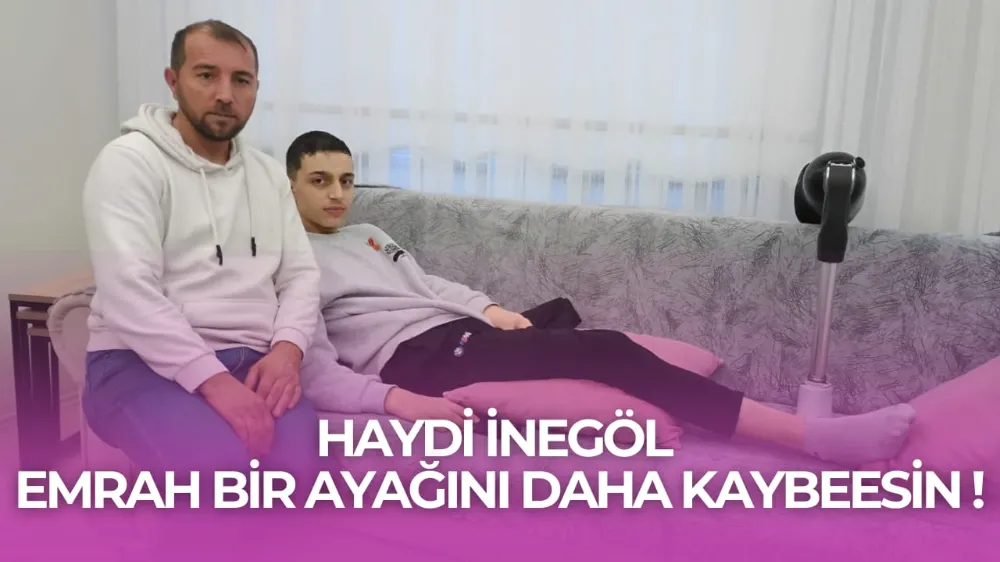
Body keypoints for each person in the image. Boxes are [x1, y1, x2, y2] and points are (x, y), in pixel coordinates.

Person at [285, 130, 918, 468]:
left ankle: (556, 374)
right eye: (319, 181)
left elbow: (429, 287)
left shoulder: (368, 233)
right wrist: (398, 402)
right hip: (416, 360)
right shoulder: (290, 262)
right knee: (607, 350)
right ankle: (809, 437)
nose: (338, 194)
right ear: (287, 186)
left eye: (346, 179)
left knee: (557, 315)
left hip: (456, 331)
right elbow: (312, 369)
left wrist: (490, 309)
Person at [82, 20, 328, 475]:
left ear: (256, 88)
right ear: (173, 81)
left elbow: (300, 275)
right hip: (135, 364)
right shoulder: (129, 162)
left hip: (252, 361)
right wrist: (212, 379)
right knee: (219, 471)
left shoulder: (268, 175)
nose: (225, 94)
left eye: (241, 80)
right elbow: (127, 291)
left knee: (303, 477)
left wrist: (287, 351)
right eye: (206, 75)